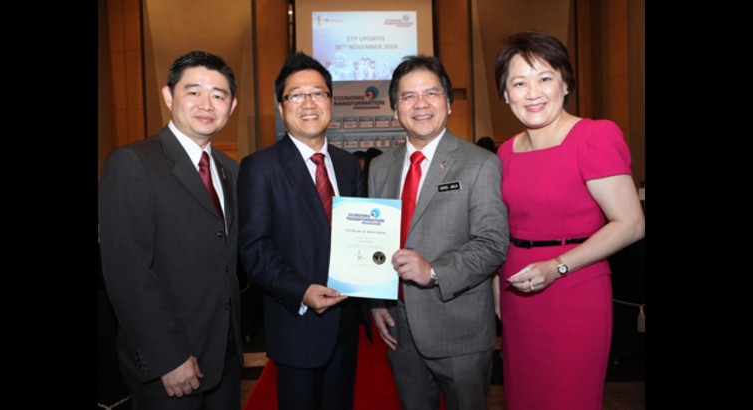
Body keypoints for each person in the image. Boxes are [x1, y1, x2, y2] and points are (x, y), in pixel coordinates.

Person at [492, 31, 645, 409]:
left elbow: (631, 223)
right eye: (518, 82)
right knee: (522, 397)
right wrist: (497, 287)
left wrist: (557, 267)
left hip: (574, 288)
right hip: (517, 292)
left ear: (564, 83)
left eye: (544, 78)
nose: (532, 92)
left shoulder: (593, 136)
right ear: (505, 95)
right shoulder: (504, 152)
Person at [99, 50, 242, 410]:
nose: (206, 103)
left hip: (224, 356)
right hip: (171, 367)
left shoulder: (230, 169)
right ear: (168, 96)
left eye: (219, 95)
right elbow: (127, 273)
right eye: (193, 91)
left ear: (232, 105)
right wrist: (167, 358)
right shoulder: (133, 163)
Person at [368, 55, 509, 410]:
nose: (420, 104)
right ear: (395, 109)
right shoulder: (380, 167)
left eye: (431, 93)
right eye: (408, 96)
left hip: (459, 330)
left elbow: (492, 244)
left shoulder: (480, 163)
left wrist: (433, 272)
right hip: (399, 330)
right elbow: (375, 241)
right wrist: (376, 301)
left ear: (448, 102)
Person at [238, 51, 371, 410]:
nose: (308, 102)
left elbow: (359, 236)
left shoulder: (347, 165)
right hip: (297, 325)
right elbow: (255, 249)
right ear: (281, 108)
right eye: (296, 95)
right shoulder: (259, 167)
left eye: (318, 93)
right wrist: (302, 291)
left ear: (331, 102)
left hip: (346, 324)